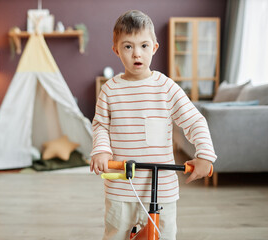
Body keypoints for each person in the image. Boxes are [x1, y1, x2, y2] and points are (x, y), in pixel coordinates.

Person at [90, 10, 217, 240]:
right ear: (116, 50)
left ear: (154, 48)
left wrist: (205, 155)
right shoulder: (110, 90)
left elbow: (194, 120)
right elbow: (100, 125)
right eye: (128, 47)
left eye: (144, 46)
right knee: (115, 234)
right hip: (121, 189)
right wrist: (102, 150)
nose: (136, 53)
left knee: (165, 235)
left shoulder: (166, 88)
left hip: (163, 189)